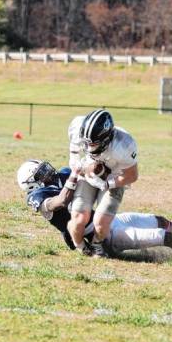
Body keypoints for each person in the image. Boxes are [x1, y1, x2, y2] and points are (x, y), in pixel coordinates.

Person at [16, 159, 172, 265]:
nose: (48, 173)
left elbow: (92, 177)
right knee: (164, 237)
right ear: (32, 184)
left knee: (161, 221)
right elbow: (60, 201)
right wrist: (74, 178)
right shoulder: (37, 198)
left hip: (106, 221)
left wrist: (97, 169)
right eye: (40, 174)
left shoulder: (62, 175)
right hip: (97, 238)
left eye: (44, 168)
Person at [67, 109, 138, 257]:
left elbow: (132, 176)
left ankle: (96, 244)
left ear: (107, 139)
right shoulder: (77, 127)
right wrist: (82, 169)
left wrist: (106, 183)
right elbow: (74, 155)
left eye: (93, 144)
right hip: (87, 172)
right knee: (79, 219)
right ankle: (81, 247)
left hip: (114, 177)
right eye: (86, 143)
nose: (88, 148)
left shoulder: (123, 145)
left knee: (101, 223)